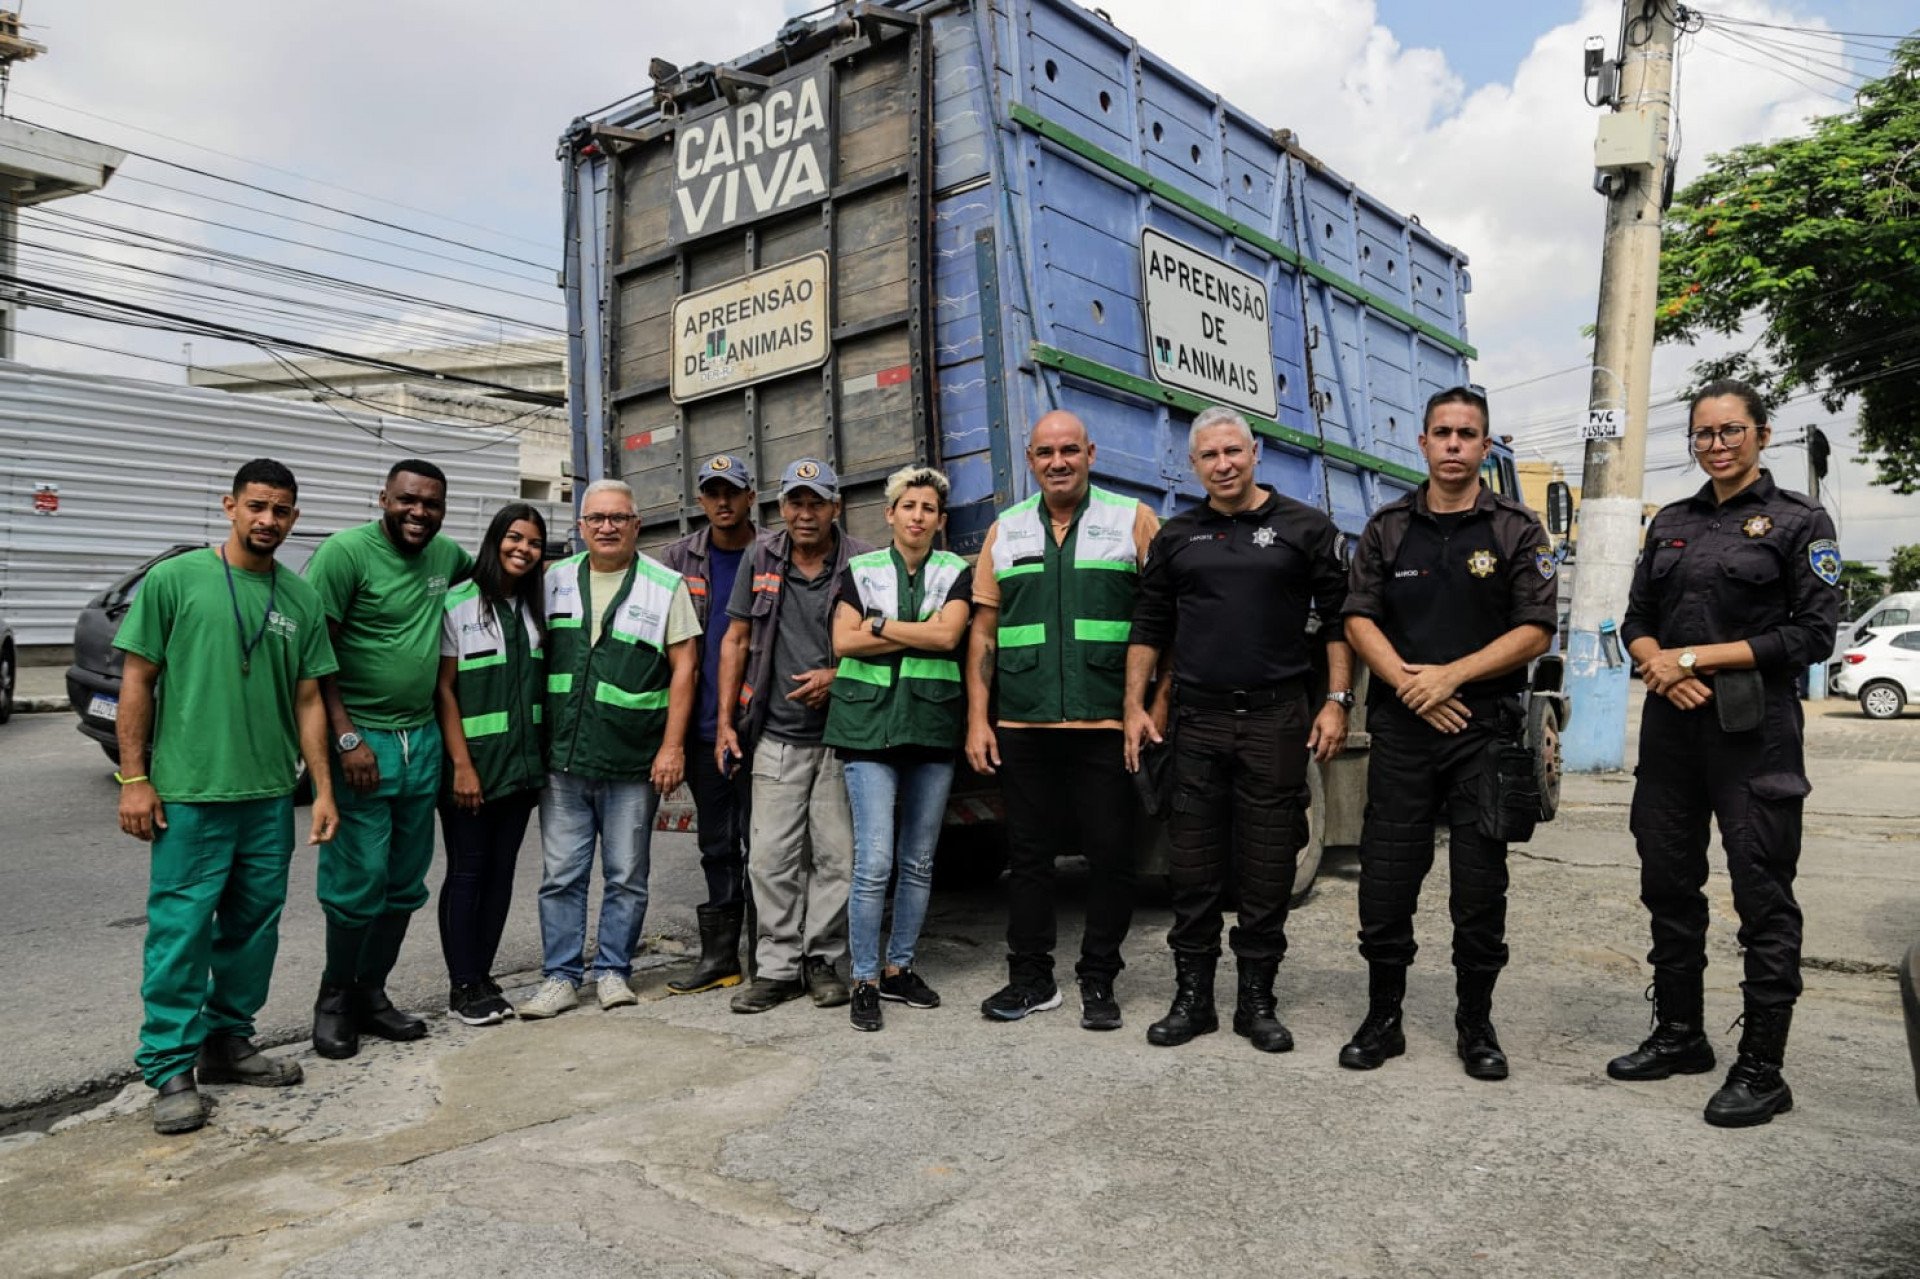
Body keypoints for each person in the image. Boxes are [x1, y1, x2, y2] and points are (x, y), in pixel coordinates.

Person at [1608, 379, 1840, 1128]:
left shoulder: (1802, 521)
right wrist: (1657, 664)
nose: (1715, 445)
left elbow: (1811, 636)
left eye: (1730, 431)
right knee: (1668, 884)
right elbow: (1636, 619)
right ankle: (1680, 1034)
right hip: (1672, 731)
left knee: (1762, 898)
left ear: (1763, 435)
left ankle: (1763, 1069)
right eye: (1703, 434)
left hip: (1754, 734)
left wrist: (1697, 658)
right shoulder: (1671, 520)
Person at [114, 459, 339, 1134]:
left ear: (294, 518)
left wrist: (323, 788)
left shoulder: (299, 599)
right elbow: (137, 678)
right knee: (181, 933)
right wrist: (134, 777)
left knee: (252, 931)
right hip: (189, 794)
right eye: (257, 506)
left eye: (281, 510)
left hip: (268, 794)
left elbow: (309, 699)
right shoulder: (175, 580)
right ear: (229, 506)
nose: (268, 520)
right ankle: (170, 1065)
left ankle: (227, 1040)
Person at [1338, 387, 1557, 1081]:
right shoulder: (1388, 526)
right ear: (1424, 443)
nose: (1455, 444)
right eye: (1443, 433)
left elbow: (1534, 628)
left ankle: (1475, 1024)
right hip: (1404, 729)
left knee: (1479, 888)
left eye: (1468, 434)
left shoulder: (1517, 529)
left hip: (1482, 731)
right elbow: (1358, 617)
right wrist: (1412, 685)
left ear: (1485, 447)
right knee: (1387, 880)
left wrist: (1450, 677)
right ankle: (1383, 1018)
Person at [1123, 407, 1353, 1052]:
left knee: (1267, 863)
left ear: (1255, 453)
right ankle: (1192, 999)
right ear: (1191, 466)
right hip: (1196, 720)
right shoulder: (1177, 536)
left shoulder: (1306, 528)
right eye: (1208, 456)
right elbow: (1150, 626)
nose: (1222, 464)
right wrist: (1135, 707)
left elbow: (1340, 620)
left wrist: (1337, 701)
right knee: (1191, 867)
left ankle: (1257, 1002)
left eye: (1233, 451)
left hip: (1276, 718)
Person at [966, 410, 1159, 1028]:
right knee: (1027, 860)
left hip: (1106, 724)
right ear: (1030, 460)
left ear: (1090, 453)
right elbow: (984, 633)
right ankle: (1030, 979)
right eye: (1045, 452)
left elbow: (1162, 623)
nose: (1058, 462)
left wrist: (1152, 708)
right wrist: (978, 718)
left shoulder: (1131, 520)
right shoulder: (1007, 529)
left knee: (1110, 856)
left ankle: (1099, 980)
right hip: (1024, 725)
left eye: (1069, 450)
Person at [305, 459, 472, 1060]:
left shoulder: (446, 556)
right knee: (357, 882)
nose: (418, 512)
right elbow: (314, 654)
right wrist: (346, 737)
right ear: (383, 498)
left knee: (403, 885)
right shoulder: (344, 554)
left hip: (422, 737)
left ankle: (372, 994)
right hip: (364, 740)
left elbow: (495, 585)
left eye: (431, 504)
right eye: (407, 500)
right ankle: (335, 998)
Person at [517, 479, 699, 1018]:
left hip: (631, 759)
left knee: (625, 874)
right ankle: (561, 977)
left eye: (618, 518)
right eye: (596, 518)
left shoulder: (664, 585)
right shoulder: (553, 582)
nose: (607, 527)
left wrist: (672, 748)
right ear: (580, 528)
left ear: (636, 525)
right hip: (564, 759)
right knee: (561, 875)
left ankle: (614, 971)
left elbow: (685, 667)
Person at [715, 459, 872, 1014]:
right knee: (769, 858)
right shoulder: (761, 556)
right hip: (775, 737)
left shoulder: (861, 562)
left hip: (840, 737)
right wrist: (725, 725)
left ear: (836, 507)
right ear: (780, 509)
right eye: (795, 503)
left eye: (816, 503)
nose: (805, 514)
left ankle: (822, 960)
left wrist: (838, 676)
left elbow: (882, 644)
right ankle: (777, 967)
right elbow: (734, 640)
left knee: (837, 858)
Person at [824, 466, 973, 1032]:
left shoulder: (954, 569)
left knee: (918, 861)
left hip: (932, 724)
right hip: (868, 728)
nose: (917, 516)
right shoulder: (859, 569)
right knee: (876, 862)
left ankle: (898, 969)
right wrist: (914, 626)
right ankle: (863, 977)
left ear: (939, 519)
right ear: (889, 515)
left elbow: (948, 637)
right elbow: (843, 640)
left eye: (928, 508)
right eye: (907, 506)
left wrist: (880, 624)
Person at [432, 503, 548, 1026]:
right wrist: (461, 765)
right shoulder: (458, 603)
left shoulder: (532, 605)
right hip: (472, 770)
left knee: (501, 875)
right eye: (514, 538)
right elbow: (445, 690)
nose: (523, 549)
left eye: (534, 542)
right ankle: (462, 984)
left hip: (521, 771)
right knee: (468, 872)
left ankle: (483, 974)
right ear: (495, 539)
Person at [659, 455, 761, 996]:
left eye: (732, 492)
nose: (722, 502)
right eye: (712, 492)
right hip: (702, 730)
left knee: (767, 847)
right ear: (700, 500)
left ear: (751, 497)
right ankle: (721, 958)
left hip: (761, 727)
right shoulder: (677, 560)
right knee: (717, 844)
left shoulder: (773, 551)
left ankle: (771, 957)